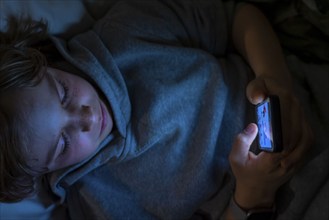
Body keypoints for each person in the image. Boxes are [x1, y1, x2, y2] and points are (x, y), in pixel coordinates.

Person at [0, 0, 313, 219]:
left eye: (64, 92)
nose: (88, 117)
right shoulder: (96, 204)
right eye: (64, 143)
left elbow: (237, 18)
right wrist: (252, 196)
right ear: (43, 172)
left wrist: (274, 77)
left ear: (41, 60)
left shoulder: (127, 30)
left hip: (311, 100)